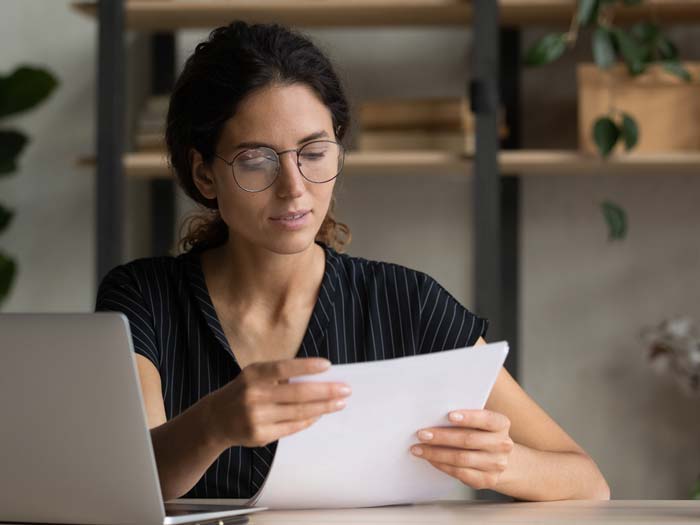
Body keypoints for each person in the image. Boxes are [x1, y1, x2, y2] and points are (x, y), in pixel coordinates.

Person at [96, 20, 610, 503]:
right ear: (204, 174)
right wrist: (212, 424)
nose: (294, 189)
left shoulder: (405, 301)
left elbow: (587, 483)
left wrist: (503, 463)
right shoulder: (142, 298)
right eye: (256, 160)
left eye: (314, 153)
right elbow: (130, 488)